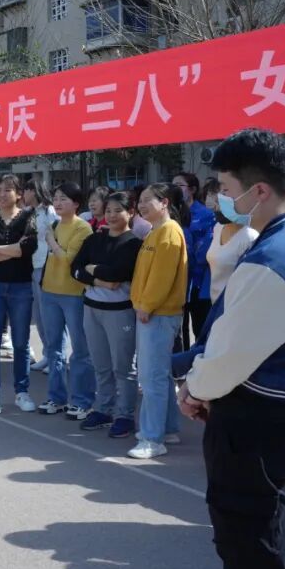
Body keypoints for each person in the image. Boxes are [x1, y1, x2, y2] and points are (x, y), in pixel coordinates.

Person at [176, 130, 285, 569]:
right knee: (265, 536)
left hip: (258, 423)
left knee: (252, 549)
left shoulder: (276, 258)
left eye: (227, 189)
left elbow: (233, 353)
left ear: (260, 191)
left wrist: (196, 388)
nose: (221, 199)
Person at [71, 192, 143, 438]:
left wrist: (92, 270)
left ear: (130, 213)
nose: (111, 215)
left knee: (123, 367)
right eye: (108, 210)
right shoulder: (94, 239)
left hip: (119, 312)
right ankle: (103, 409)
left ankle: (125, 415)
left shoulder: (133, 244)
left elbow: (118, 274)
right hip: (91, 309)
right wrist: (100, 279)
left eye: (117, 210)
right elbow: (75, 269)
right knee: (100, 365)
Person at [128, 183, 188, 459]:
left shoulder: (169, 232)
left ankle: (153, 439)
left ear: (164, 202)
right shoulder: (157, 231)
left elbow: (162, 277)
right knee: (159, 375)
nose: (141, 205)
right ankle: (168, 429)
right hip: (152, 311)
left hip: (158, 313)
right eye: (139, 201)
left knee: (151, 377)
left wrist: (147, 305)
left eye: (147, 200)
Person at [0, 174, 38, 415]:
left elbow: (27, 248)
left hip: (21, 286)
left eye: (8, 190)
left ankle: (22, 391)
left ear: (19, 194)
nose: (2, 194)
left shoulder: (28, 217)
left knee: (21, 343)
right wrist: (11, 250)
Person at [38, 182, 96, 420]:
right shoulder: (54, 225)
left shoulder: (83, 228)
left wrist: (50, 240)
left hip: (73, 294)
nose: (58, 202)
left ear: (76, 203)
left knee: (80, 349)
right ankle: (57, 397)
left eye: (64, 198)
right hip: (49, 291)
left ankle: (83, 400)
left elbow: (68, 259)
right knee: (53, 348)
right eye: (56, 198)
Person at [174, 172, 215, 351]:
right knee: (178, 329)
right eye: (173, 185)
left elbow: (204, 251)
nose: (175, 189)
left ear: (192, 189)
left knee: (200, 326)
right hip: (179, 279)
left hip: (198, 281)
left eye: (180, 185)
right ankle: (182, 363)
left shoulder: (206, 214)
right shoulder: (173, 214)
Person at [24, 178, 56, 372]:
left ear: (34, 191)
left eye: (26, 190)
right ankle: (47, 354)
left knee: (48, 315)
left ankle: (56, 357)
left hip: (45, 266)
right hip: (32, 266)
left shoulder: (49, 211)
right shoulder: (29, 212)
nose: (23, 194)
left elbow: (55, 237)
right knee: (39, 315)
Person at [205, 198, 258, 305]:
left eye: (226, 192)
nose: (217, 207)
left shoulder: (249, 237)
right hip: (215, 303)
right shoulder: (218, 228)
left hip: (235, 304)